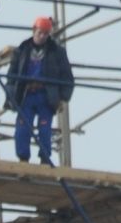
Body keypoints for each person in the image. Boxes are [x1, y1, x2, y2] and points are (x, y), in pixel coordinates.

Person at [5, 15, 75, 165]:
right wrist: (10, 97)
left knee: (44, 129)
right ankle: (23, 158)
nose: (42, 36)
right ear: (34, 30)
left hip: (46, 96)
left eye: (45, 33)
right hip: (26, 94)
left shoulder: (56, 52)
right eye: (40, 33)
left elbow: (67, 77)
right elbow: (11, 76)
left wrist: (63, 98)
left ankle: (45, 158)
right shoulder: (22, 50)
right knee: (23, 127)